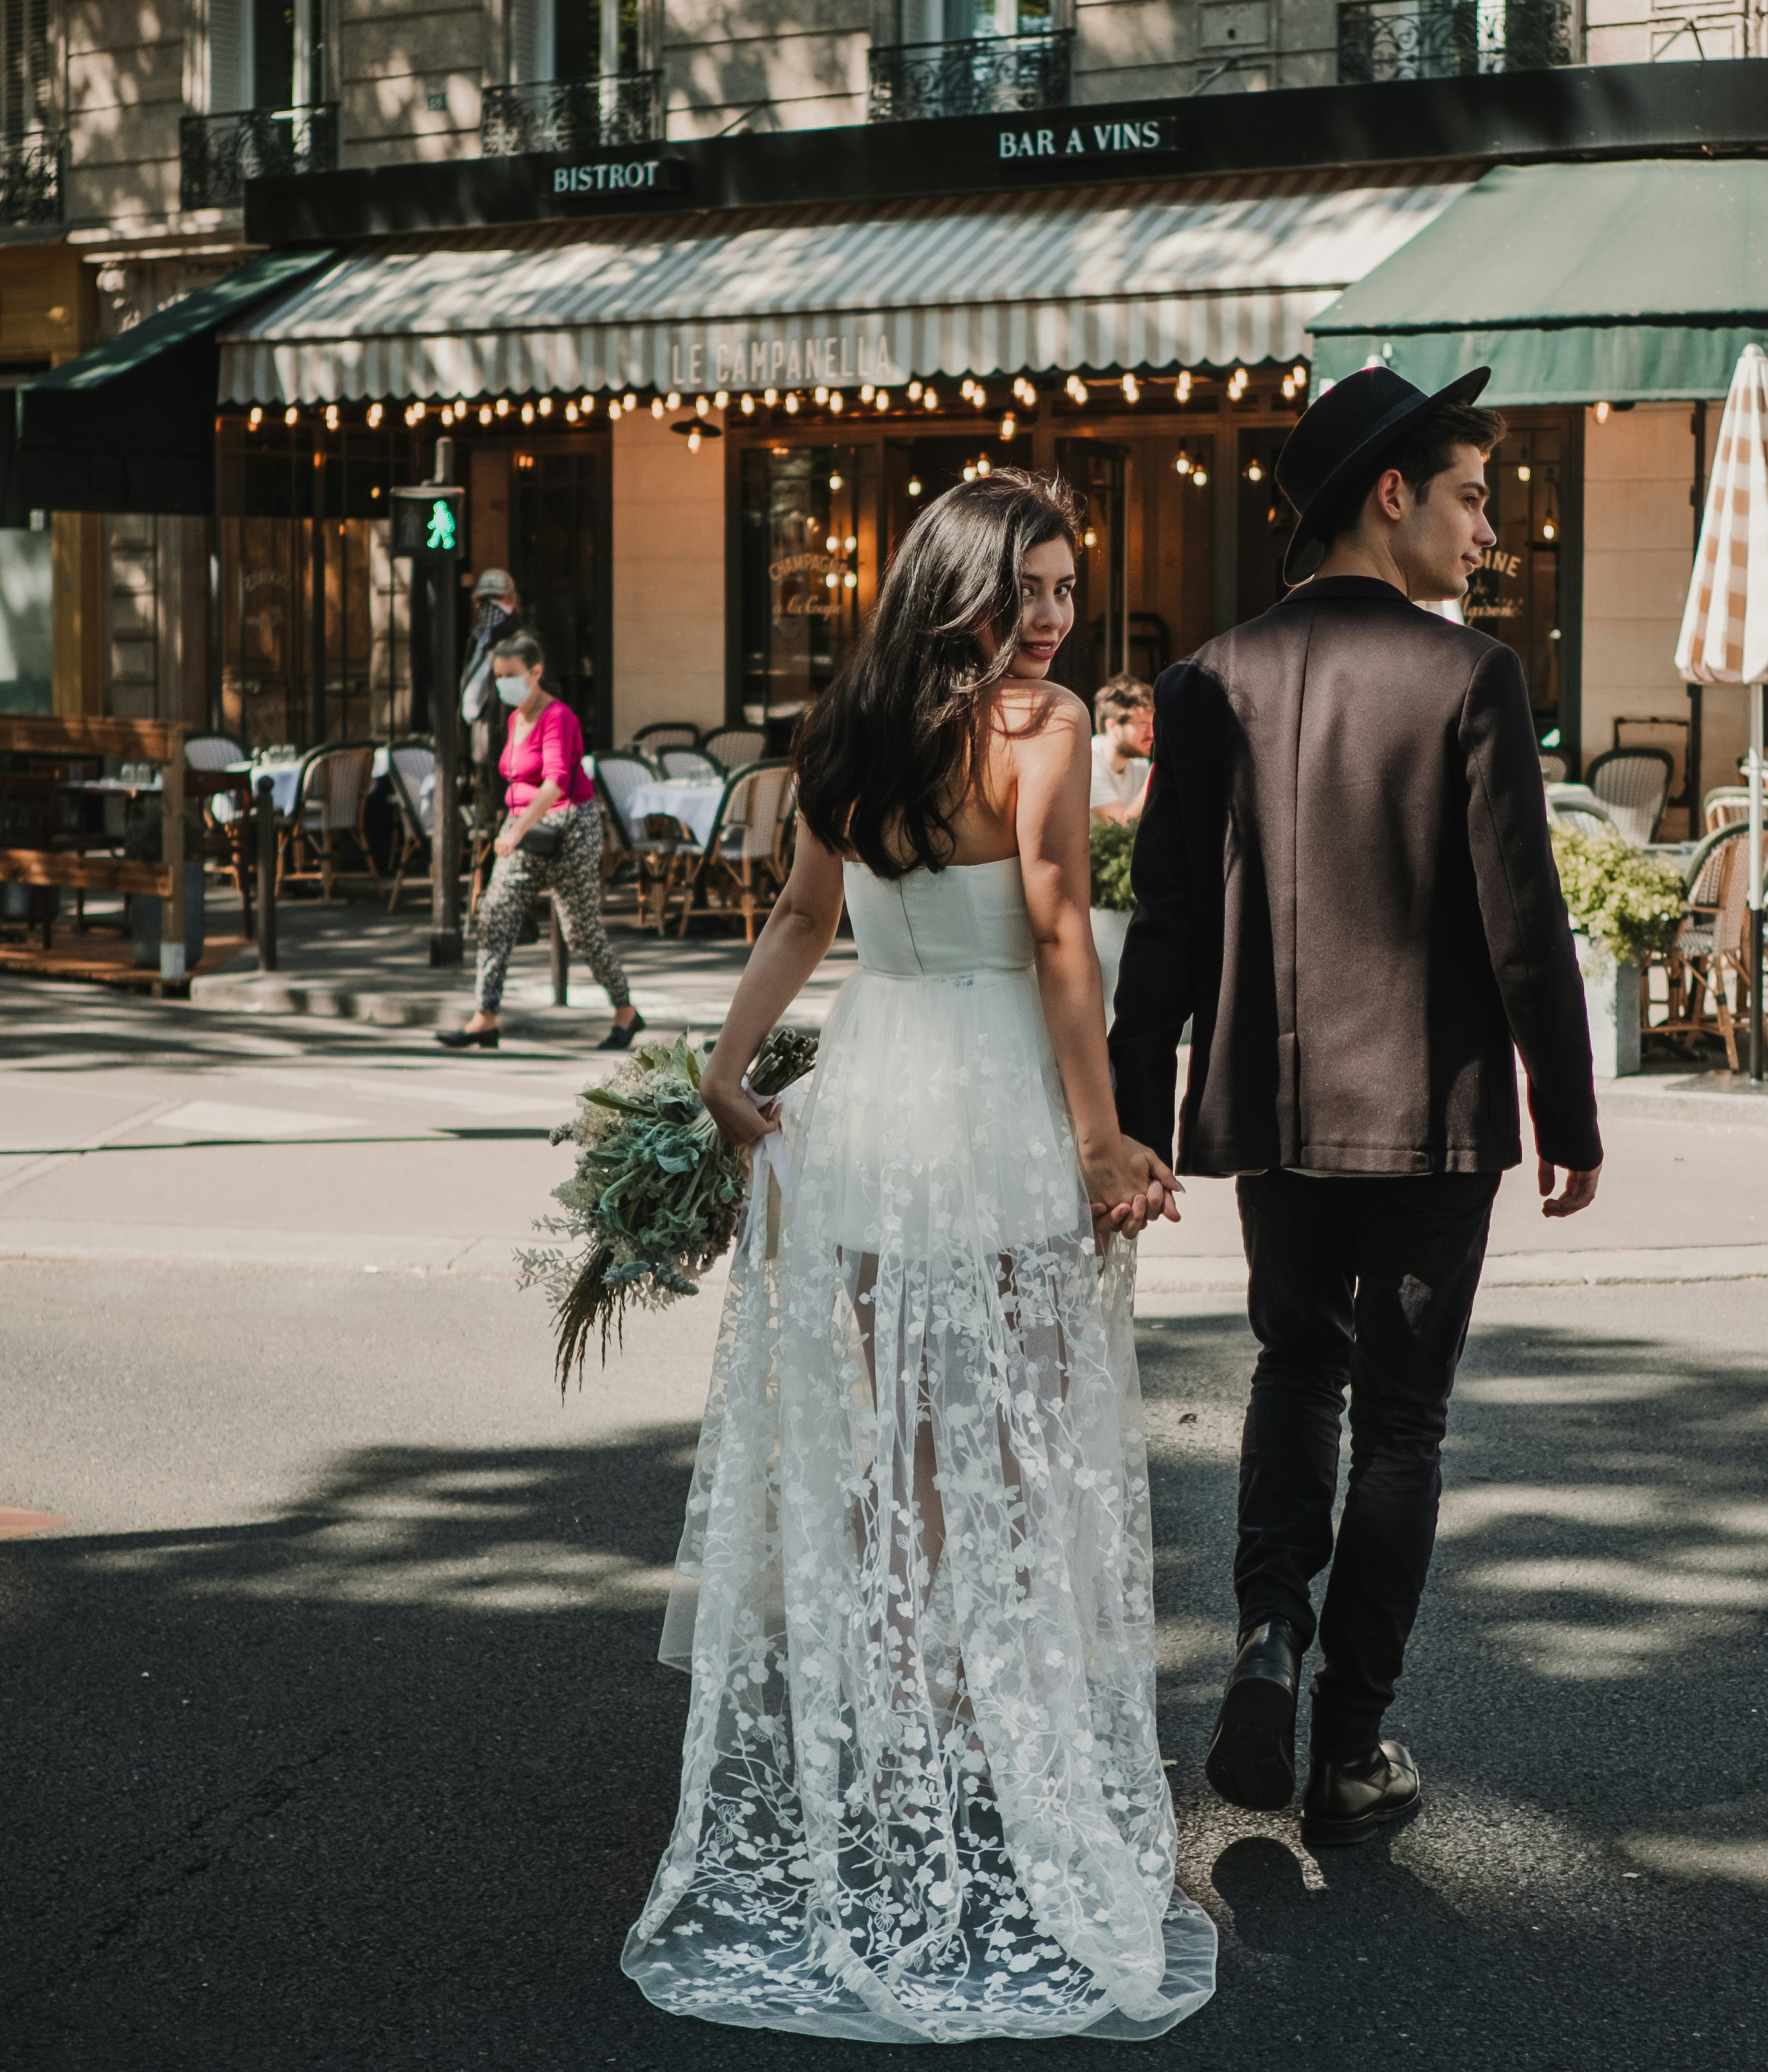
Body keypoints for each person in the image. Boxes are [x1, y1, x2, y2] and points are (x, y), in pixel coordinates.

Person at [631, 470, 1212, 2043]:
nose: (1051, 615)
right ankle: (994, 1741)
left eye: (1063, 587)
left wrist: (729, 1067)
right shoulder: (1046, 728)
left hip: (871, 1103)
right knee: (1022, 1443)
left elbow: (801, 922)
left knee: (905, 1447)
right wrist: (1102, 1136)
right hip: (993, 1103)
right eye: (1027, 587)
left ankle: (894, 1742)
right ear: (959, 588)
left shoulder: (846, 725)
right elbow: (1058, 925)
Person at [1109, 365, 1601, 1851]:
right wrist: (1567, 1112)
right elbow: (1526, 923)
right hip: (1435, 1109)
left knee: (1291, 1372)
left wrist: (1133, 1119)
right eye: (1468, 495)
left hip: (1268, 1101)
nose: (1486, 528)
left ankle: (1267, 1634)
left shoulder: (1204, 684)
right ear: (1388, 494)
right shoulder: (1471, 677)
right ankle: (1352, 1743)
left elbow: (1168, 930)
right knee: (1402, 1416)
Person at [436, 633, 639, 1052]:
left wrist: (514, 830)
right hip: (525, 830)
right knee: (495, 917)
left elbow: (555, 784)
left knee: (580, 931)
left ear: (536, 673)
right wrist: (515, 827)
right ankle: (485, 1017)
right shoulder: (513, 721)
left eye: (511, 675)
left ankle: (626, 1011)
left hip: (569, 829)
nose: (504, 684)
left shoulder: (558, 717)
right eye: (498, 676)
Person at [453, 568, 521, 754]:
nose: (489, 607)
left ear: (512, 602)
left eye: (497, 599)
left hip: (506, 741)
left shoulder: (522, 641)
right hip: (475, 737)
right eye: (483, 601)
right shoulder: (476, 639)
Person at [1091, 674, 1154, 822]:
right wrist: (1157, 772)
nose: (1152, 734)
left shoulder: (1138, 763)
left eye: (1153, 725)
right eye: (1143, 725)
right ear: (1113, 726)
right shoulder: (1088, 764)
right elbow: (1119, 828)